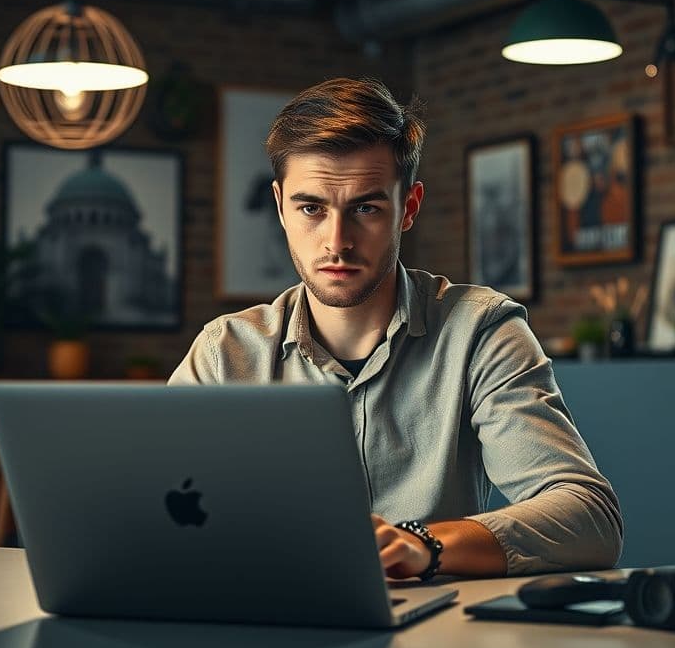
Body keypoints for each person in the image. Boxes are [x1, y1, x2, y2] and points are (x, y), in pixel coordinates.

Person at [169, 78, 622, 579]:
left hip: (438, 639)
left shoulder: (480, 331)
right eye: (311, 208)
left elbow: (588, 516)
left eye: (366, 207)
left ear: (409, 207)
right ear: (280, 206)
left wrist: (424, 545)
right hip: (266, 630)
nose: (336, 241)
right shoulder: (224, 353)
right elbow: (145, 506)